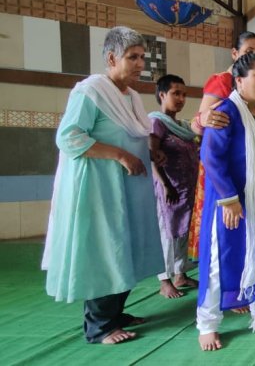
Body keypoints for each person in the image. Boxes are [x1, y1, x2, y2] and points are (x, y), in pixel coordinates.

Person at [42, 26, 164, 344]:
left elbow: (135, 134)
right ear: (111, 57)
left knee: (128, 249)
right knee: (106, 250)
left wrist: (152, 153)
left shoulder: (133, 96)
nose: (140, 64)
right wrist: (120, 155)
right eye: (132, 57)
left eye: (142, 57)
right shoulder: (90, 91)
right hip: (99, 187)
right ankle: (99, 327)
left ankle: (115, 313)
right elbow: (68, 137)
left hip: (128, 188)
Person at [196, 53, 255, 351]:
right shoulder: (226, 111)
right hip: (230, 201)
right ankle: (207, 324)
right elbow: (211, 157)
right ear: (239, 80)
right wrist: (229, 199)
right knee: (219, 260)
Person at [188, 31, 255, 267]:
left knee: (250, 222)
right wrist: (204, 118)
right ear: (234, 53)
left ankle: (249, 273)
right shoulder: (222, 81)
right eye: (249, 52)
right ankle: (225, 282)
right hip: (224, 163)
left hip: (251, 163)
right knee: (227, 223)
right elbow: (198, 122)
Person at [149, 74, 199, 298]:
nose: (181, 98)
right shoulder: (157, 122)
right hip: (168, 189)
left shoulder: (184, 126)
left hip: (187, 188)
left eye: (184, 94)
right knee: (167, 233)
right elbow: (151, 155)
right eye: (175, 93)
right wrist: (166, 185)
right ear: (162, 95)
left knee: (182, 232)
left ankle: (181, 274)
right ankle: (164, 280)